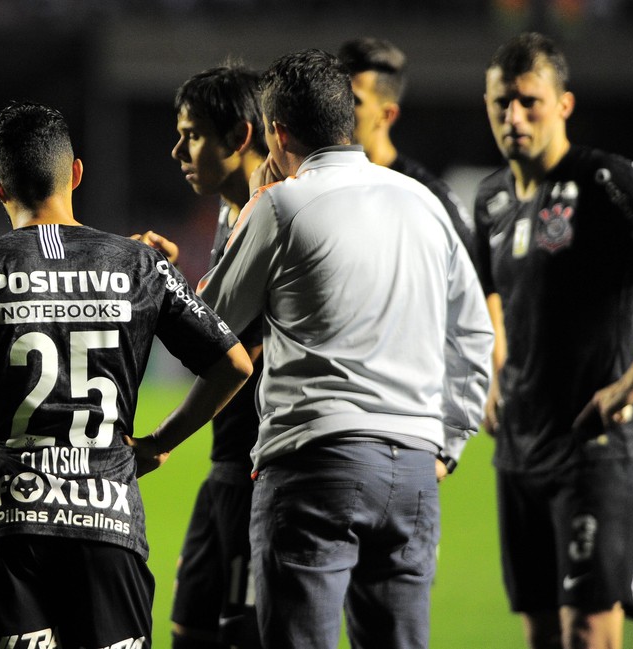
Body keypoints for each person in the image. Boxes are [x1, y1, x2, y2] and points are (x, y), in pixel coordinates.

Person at [0, 101, 252, 649]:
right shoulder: (138, 264)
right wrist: (158, 443)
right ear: (75, 173)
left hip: (8, 525)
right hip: (109, 525)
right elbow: (233, 364)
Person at [196, 49, 494, 649]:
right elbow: (472, 332)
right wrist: (449, 443)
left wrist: (252, 206)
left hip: (315, 465)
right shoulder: (422, 201)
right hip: (413, 469)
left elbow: (206, 324)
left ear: (278, 132)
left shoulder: (280, 203)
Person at [475, 32, 633, 649]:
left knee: (588, 633)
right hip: (520, 451)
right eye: (502, 102)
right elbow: (493, 299)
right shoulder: (490, 200)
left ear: (563, 105)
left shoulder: (607, 180)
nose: (514, 116)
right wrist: (496, 376)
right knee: (542, 637)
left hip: (597, 449)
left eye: (529, 101)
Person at [164, 64, 268, 649]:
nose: (178, 150)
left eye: (194, 135)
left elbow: (229, 349)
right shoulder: (233, 214)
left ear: (241, 136)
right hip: (225, 462)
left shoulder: (277, 216)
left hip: (262, 469)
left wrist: (157, 286)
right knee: (190, 628)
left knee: (243, 633)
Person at [337, 37, 477, 260]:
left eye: (354, 101)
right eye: (336, 96)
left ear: (387, 114)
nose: (338, 108)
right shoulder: (311, 180)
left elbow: (476, 270)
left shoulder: (426, 196)